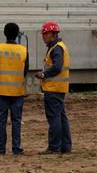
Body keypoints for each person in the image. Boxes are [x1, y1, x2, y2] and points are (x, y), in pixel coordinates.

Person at [35, 21, 72, 154]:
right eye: (43, 34)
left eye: (46, 34)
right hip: (59, 88)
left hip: (53, 88)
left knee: (54, 118)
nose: (43, 36)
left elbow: (57, 67)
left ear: (54, 34)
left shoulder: (56, 48)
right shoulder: (59, 47)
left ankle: (54, 147)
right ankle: (65, 146)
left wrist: (44, 74)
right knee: (61, 118)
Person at [0, 22, 28, 155]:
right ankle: (16, 148)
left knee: (1, 121)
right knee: (16, 120)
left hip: (1, 91)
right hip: (17, 92)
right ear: (17, 33)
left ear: (4, 33)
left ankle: (1, 148)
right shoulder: (23, 50)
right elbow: (25, 71)